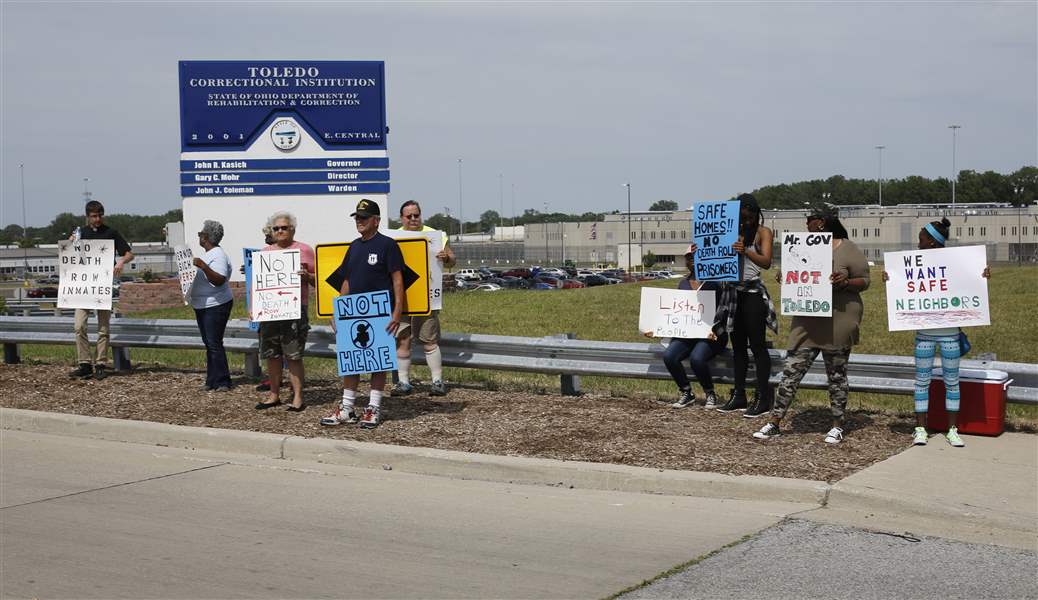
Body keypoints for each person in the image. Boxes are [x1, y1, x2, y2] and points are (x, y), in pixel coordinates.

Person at [753, 203, 869, 444]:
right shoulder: (800, 246)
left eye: (810, 220)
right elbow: (800, 277)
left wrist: (846, 282)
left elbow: (865, 281)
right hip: (807, 321)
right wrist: (786, 277)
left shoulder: (848, 249)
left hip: (838, 320)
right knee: (791, 372)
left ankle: (837, 425)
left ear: (822, 222)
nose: (806, 225)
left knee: (836, 375)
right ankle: (774, 421)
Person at [882, 217, 990, 448]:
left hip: (950, 334)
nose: (918, 243)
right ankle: (920, 428)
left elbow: (970, 283)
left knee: (952, 382)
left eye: (921, 239)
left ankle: (952, 429)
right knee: (922, 382)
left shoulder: (957, 263)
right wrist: (891, 280)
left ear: (931, 241)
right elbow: (905, 286)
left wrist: (982, 276)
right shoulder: (913, 264)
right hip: (924, 334)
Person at [320, 199, 405, 429]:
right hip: (353, 315)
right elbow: (346, 280)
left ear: (376, 221)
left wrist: (397, 313)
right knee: (351, 360)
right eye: (357, 217)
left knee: (378, 361)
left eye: (364, 217)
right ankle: (347, 407)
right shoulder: (354, 246)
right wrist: (338, 310)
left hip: (380, 314)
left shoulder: (388, 245)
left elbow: (398, 280)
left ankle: (373, 407)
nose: (359, 221)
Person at [706, 193, 778, 414]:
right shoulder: (731, 231)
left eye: (748, 218)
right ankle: (739, 394)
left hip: (752, 292)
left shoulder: (763, 232)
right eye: (741, 218)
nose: (745, 222)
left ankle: (763, 397)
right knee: (737, 347)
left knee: (757, 346)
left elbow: (766, 262)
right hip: (732, 293)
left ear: (756, 214)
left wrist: (745, 250)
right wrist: (705, 253)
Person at [646, 245, 728, 408]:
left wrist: (716, 329)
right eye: (688, 258)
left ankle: (710, 393)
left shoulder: (715, 283)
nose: (692, 261)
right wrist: (657, 329)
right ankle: (686, 392)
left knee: (697, 358)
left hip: (712, 335)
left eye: (695, 256)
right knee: (669, 356)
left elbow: (723, 311)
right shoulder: (682, 284)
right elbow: (676, 313)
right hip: (688, 334)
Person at [254, 211, 315, 412]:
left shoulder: (304, 250)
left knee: (293, 356)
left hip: (295, 311)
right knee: (272, 355)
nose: (280, 231)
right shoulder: (264, 253)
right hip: (270, 312)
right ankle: (274, 395)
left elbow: (319, 279)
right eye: (276, 228)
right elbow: (257, 286)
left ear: (292, 229)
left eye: (284, 227)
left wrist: (307, 276)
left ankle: (298, 397)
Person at [394, 200, 456, 397]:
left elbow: (453, 260)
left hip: (427, 296)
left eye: (416, 215)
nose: (413, 219)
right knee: (402, 340)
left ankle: (437, 381)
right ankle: (403, 383)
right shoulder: (393, 237)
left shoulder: (435, 235)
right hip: (401, 297)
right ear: (402, 218)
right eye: (409, 216)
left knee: (429, 339)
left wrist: (446, 257)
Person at [69, 200, 134, 381]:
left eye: (100, 215)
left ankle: (100, 364)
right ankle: (84, 364)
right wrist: (71, 243)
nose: (97, 219)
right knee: (79, 326)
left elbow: (129, 253)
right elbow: (69, 254)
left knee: (103, 328)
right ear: (87, 216)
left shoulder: (111, 233)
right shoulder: (80, 233)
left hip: (102, 285)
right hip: (83, 286)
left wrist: (121, 261)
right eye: (94, 216)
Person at [190, 220, 234, 391]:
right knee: (209, 343)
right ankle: (211, 380)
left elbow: (219, 279)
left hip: (216, 304)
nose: (199, 236)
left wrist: (203, 266)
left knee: (214, 343)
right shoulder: (210, 254)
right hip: (202, 304)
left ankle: (223, 380)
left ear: (206, 236)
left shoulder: (218, 255)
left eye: (201, 233)